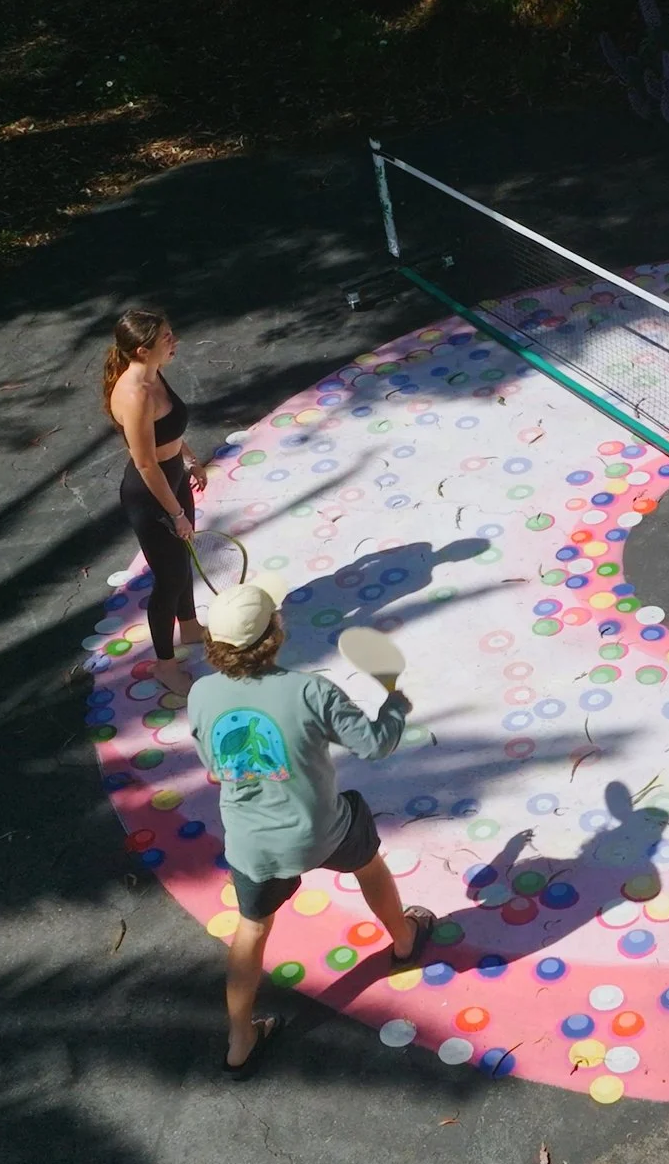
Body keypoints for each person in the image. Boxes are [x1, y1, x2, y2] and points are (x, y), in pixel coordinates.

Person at [188, 582, 435, 1077]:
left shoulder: (201, 693)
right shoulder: (309, 690)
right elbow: (373, 744)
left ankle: (240, 1040)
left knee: (253, 927)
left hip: (252, 844)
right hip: (322, 829)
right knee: (368, 864)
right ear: (272, 635)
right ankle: (404, 940)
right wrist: (394, 705)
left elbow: (214, 766)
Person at [104, 309, 207, 665]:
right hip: (151, 493)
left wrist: (190, 458)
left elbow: (170, 428)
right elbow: (146, 462)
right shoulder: (135, 395)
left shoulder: (154, 375)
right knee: (170, 580)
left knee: (185, 558)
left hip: (174, 475)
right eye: (166, 338)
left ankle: (191, 627)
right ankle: (164, 664)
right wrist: (176, 513)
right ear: (141, 351)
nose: (173, 341)